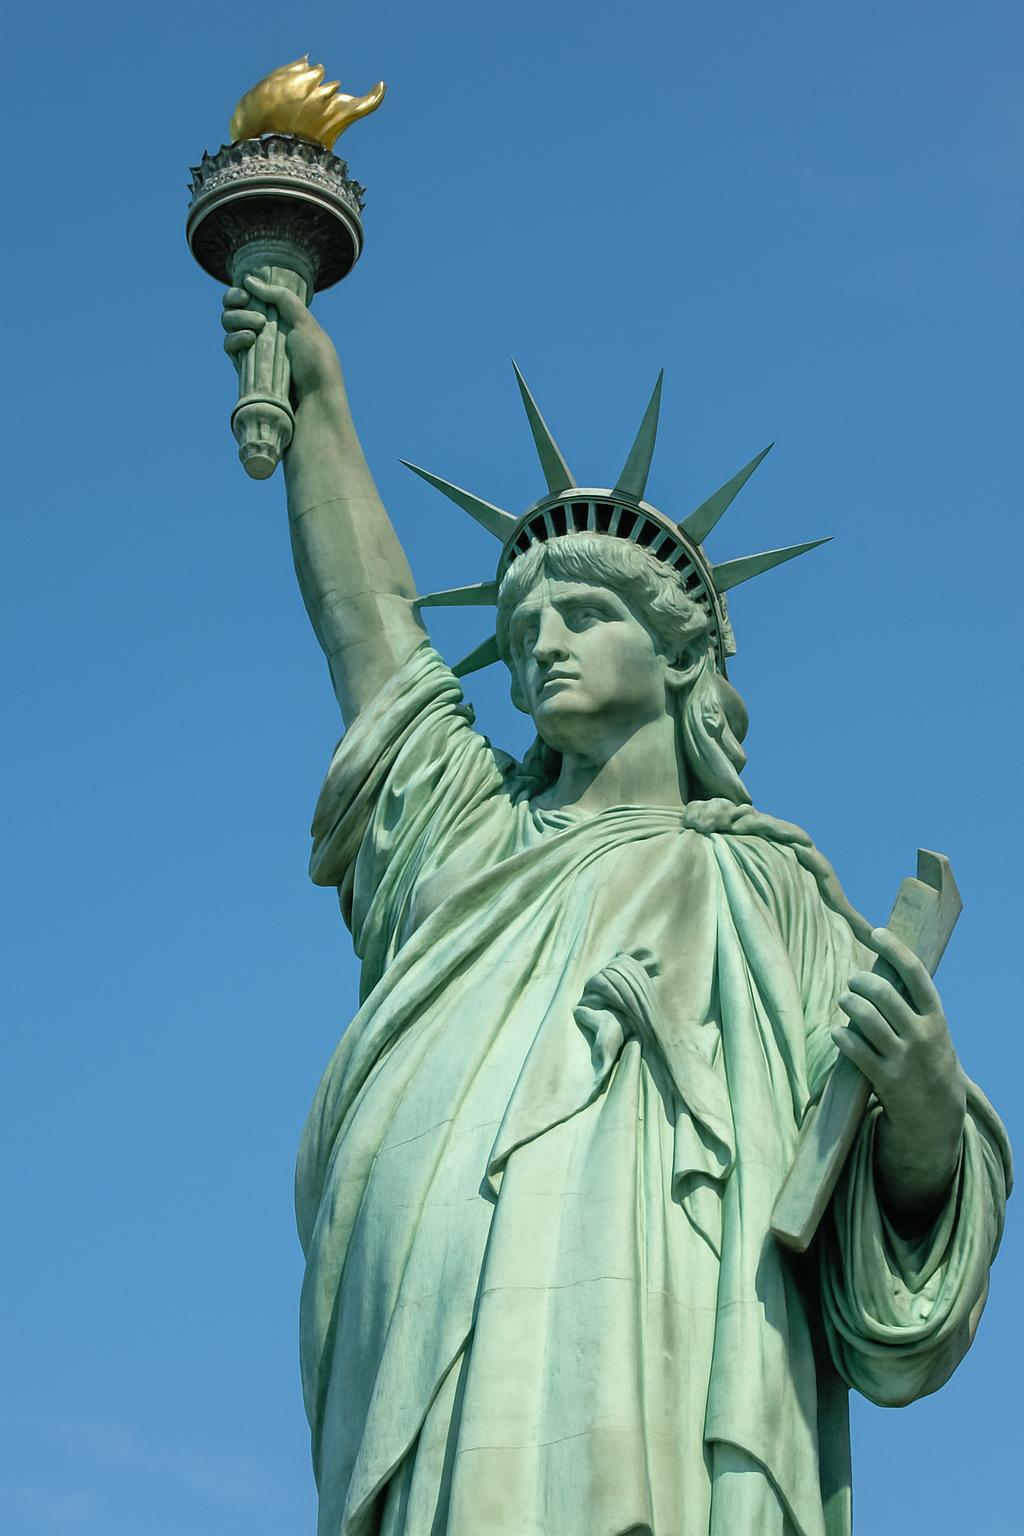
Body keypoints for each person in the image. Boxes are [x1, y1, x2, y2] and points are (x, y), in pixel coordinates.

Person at [222, 277, 1011, 1536]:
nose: (542, 642)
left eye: (584, 613)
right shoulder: (464, 839)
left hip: (680, 1347)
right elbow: (368, 636)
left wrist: (919, 1108)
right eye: (526, 623)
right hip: (439, 1370)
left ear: (683, 651)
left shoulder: (773, 892)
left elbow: (884, 1230)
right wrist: (318, 399)